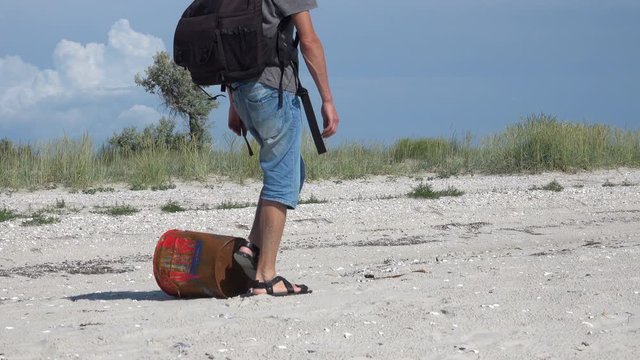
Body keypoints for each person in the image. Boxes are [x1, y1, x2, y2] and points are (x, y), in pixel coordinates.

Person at [227, 0, 339, 296]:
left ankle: (252, 247)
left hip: (241, 90)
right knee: (282, 174)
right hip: (272, 89)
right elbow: (309, 41)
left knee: (292, 169)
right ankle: (266, 277)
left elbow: (228, 42)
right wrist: (327, 99)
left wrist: (233, 103)